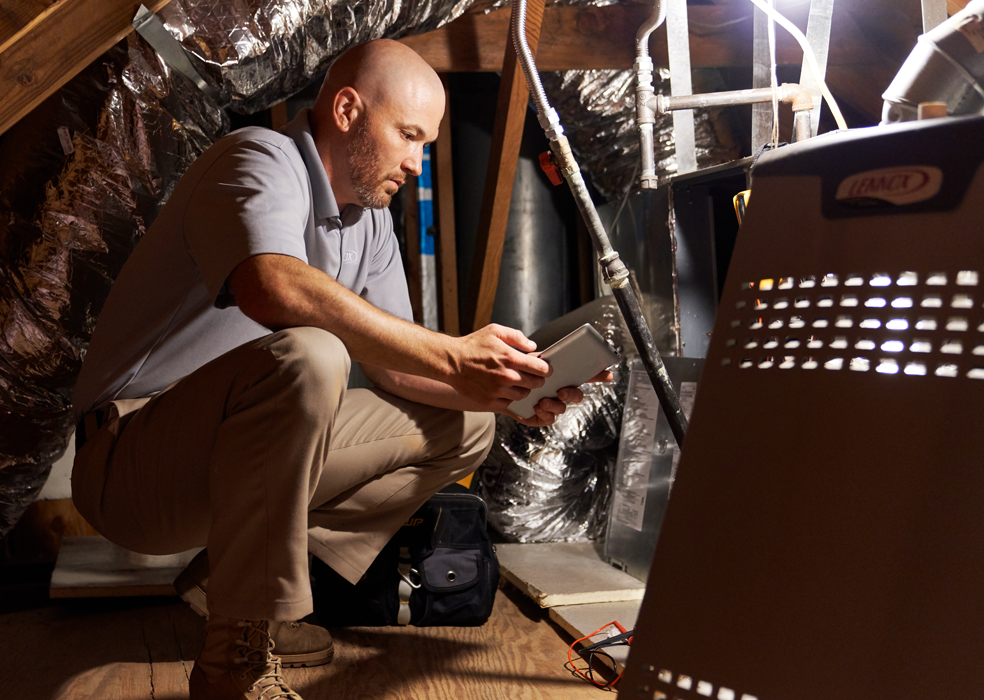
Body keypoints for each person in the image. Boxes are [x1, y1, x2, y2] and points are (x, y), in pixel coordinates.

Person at [71, 39, 609, 700]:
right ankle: (232, 670)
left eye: (428, 144)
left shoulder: (367, 224)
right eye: (408, 136)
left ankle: (231, 595)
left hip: (223, 459)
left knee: (465, 422)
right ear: (349, 110)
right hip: (131, 464)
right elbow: (272, 287)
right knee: (314, 351)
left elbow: (399, 374)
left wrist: (505, 391)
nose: (418, 161)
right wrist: (451, 352)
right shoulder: (256, 161)